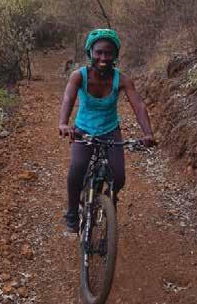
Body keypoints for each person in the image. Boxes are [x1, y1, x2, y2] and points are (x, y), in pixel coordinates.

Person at [59, 28, 155, 233]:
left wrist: (148, 133)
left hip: (110, 131)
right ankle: (72, 213)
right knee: (77, 168)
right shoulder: (79, 76)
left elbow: (138, 105)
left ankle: (108, 199)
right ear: (90, 53)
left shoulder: (122, 80)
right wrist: (64, 123)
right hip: (83, 130)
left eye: (108, 53)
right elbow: (68, 98)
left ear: (115, 55)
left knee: (118, 177)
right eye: (99, 52)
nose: (103, 58)